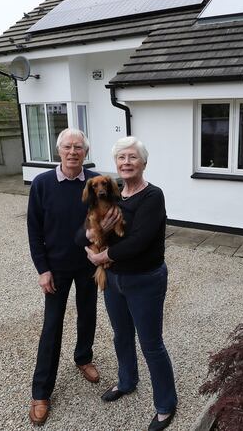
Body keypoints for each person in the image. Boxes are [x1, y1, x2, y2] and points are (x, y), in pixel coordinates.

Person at [83, 136, 178, 431]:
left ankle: (165, 405)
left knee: (151, 344)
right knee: (121, 336)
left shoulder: (153, 196)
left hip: (145, 280)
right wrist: (92, 237)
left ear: (143, 163)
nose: (126, 162)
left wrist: (102, 256)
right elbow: (86, 230)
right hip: (114, 280)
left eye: (132, 157)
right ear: (116, 165)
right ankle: (127, 381)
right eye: (121, 158)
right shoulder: (113, 196)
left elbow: (139, 241)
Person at [26, 128, 102, 426]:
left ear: (85, 151)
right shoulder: (43, 184)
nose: (73, 152)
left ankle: (83, 357)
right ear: (59, 151)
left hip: (87, 264)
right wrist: (42, 269)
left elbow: (109, 216)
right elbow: (34, 230)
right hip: (55, 269)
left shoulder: (96, 183)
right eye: (68, 147)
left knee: (88, 315)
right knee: (52, 326)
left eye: (79, 147)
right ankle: (41, 391)